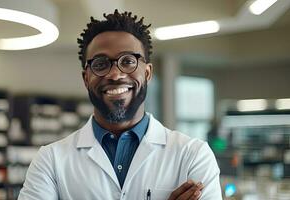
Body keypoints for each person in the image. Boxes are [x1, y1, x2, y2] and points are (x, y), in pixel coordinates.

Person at [18, 10, 222, 200]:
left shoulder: (192, 155)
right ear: (86, 78)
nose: (115, 74)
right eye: (100, 64)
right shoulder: (50, 161)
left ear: (148, 73)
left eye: (128, 61)